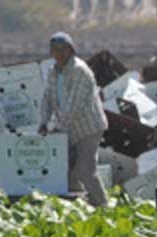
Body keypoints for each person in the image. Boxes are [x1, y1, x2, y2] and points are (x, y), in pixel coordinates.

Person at [40, 32, 109, 208]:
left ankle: (103, 206)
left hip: (88, 127)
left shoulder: (79, 70)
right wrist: (43, 122)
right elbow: (47, 98)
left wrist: (56, 127)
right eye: (55, 50)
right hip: (68, 127)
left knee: (85, 170)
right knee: (66, 170)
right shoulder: (53, 71)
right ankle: (81, 204)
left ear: (71, 50)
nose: (59, 54)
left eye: (63, 50)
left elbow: (74, 106)